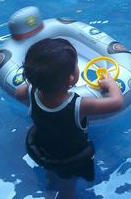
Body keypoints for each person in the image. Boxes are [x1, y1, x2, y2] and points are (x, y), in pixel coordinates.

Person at [15, 38, 123, 183]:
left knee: (52, 172)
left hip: (44, 147)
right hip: (69, 158)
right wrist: (111, 84)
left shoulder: (31, 91)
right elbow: (117, 103)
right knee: (68, 184)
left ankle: (51, 186)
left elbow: (18, 93)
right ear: (71, 78)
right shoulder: (79, 105)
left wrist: (35, 82)